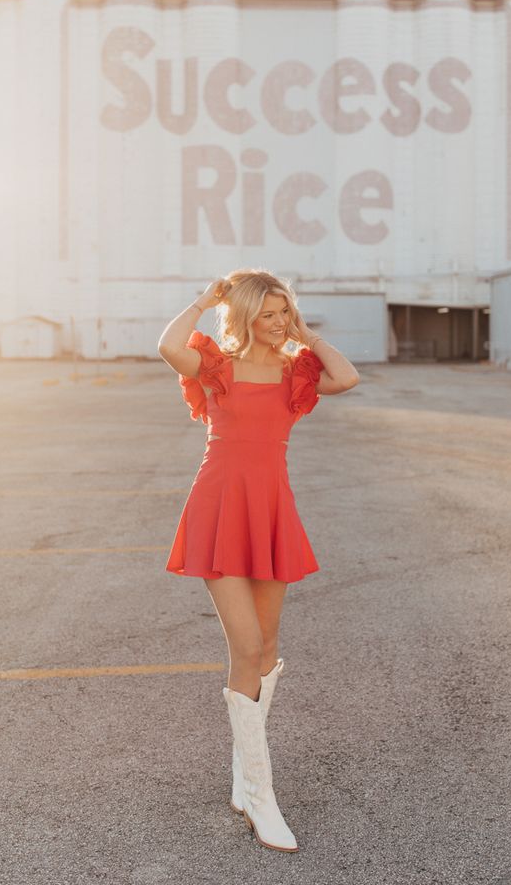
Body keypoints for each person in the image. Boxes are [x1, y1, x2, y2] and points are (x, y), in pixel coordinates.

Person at [157, 268, 359, 852]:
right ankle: (262, 797)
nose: (278, 323)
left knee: (267, 651)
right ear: (245, 316)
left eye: (284, 312)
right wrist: (205, 298)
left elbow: (347, 377)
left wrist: (306, 332)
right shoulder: (215, 366)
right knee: (246, 648)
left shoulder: (297, 371)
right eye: (269, 314)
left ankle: (244, 778)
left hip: (272, 510)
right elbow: (169, 346)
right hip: (218, 508)